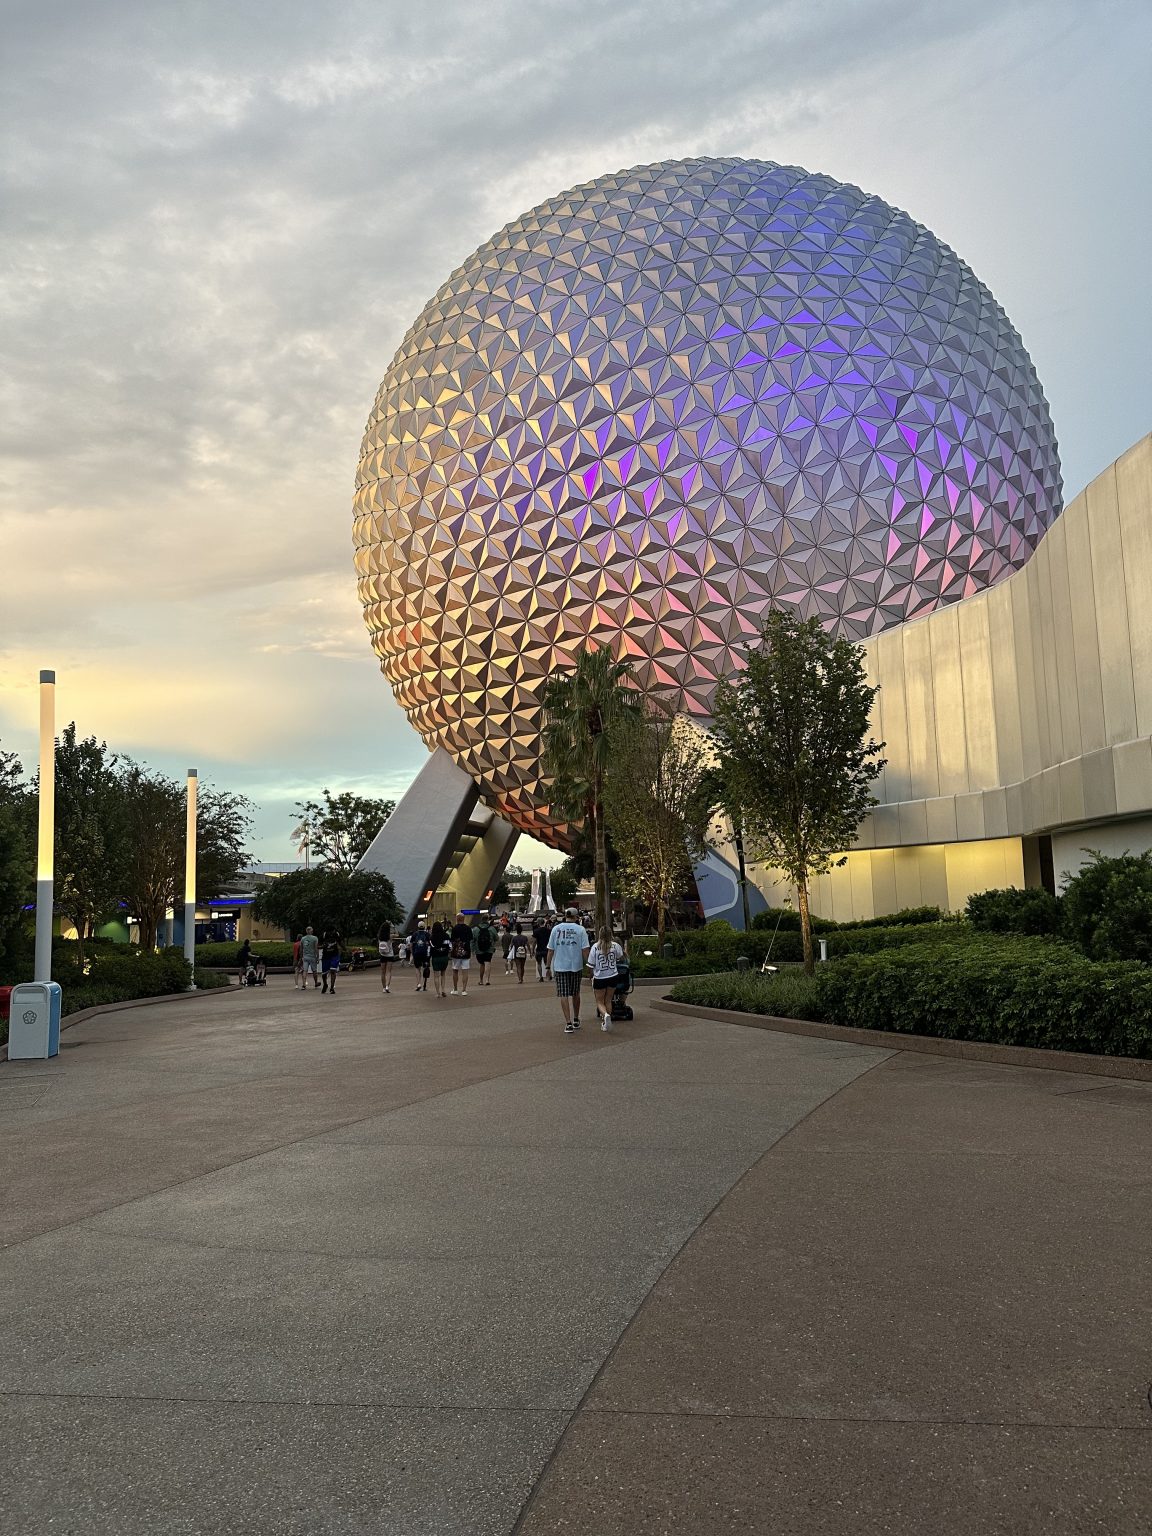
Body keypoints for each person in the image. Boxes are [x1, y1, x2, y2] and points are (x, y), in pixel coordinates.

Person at [548, 906, 591, 1033]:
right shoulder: (580, 930)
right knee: (576, 993)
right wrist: (589, 966)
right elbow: (585, 950)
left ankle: (568, 1023)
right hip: (576, 966)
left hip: (560, 966)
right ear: (576, 917)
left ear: (565, 916)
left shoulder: (556, 929)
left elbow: (550, 950)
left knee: (563, 994)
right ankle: (576, 1018)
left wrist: (547, 966)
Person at [588, 925, 625, 1032]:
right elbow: (621, 957)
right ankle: (606, 1020)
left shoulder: (595, 947)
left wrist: (591, 975)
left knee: (599, 1001)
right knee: (608, 1000)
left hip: (600, 977)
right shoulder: (615, 946)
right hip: (613, 976)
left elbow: (590, 965)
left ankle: (605, 1015)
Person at [449, 912, 473, 995]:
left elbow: (452, 940)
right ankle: (464, 990)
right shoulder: (468, 928)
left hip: (456, 953)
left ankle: (455, 989)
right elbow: (471, 939)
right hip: (466, 952)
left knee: (455, 970)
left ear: (457, 919)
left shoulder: (454, 928)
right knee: (465, 971)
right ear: (464, 919)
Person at [428, 921, 451, 997]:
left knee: (436, 976)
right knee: (443, 974)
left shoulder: (432, 937)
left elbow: (430, 949)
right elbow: (449, 946)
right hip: (444, 957)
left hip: (435, 958)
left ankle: (438, 993)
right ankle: (443, 990)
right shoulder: (446, 936)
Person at [474, 916, 495, 986]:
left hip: (479, 950)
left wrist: (473, 950)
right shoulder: (491, 928)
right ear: (487, 920)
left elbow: (473, 939)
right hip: (489, 949)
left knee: (482, 964)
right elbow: (496, 937)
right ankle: (487, 980)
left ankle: (481, 980)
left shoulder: (476, 929)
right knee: (487, 963)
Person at [410, 921, 431, 991]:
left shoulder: (414, 934)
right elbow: (430, 944)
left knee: (417, 968)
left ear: (418, 926)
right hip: (425, 954)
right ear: (424, 927)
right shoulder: (427, 934)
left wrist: (412, 953)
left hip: (417, 953)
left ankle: (418, 984)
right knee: (425, 968)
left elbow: (411, 945)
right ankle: (424, 985)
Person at [321, 928, 343, 994]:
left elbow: (340, 942)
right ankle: (325, 984)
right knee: (324, 974)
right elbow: (319, 944)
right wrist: (321, 946)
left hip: (334, 956)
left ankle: (332, 988)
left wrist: (344, 948)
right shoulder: (324, 934)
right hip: (326, 956)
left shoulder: (336, 934)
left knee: (333, 970)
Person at [377, 920, 396, 993]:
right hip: (390, 955)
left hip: (382, 955)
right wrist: (392, 926)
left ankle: (383, 988)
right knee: (388, 971)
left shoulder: (379, 936)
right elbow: (397, 934)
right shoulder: (390, 936)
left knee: (383, 972)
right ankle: (387, 986)